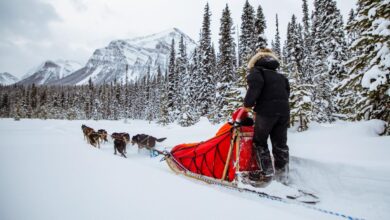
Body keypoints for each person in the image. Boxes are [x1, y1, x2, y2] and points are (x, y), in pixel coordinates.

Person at [243, 48, 290, 183]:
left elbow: (255, 88)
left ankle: (266, 173)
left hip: (266, 112)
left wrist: (248, 105)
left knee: (259, 142)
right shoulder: (281, 76)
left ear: (256, 61)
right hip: (283, 112)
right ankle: (283, 177)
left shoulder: (257, 72)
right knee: (280, 144)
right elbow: (286, 94)